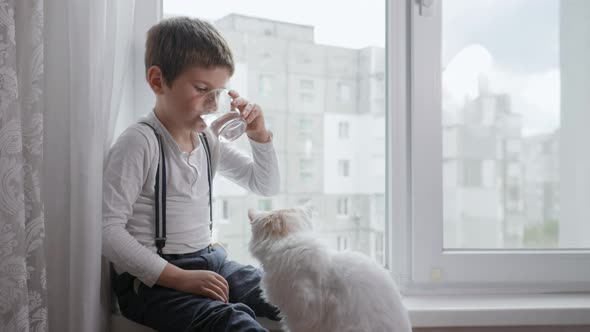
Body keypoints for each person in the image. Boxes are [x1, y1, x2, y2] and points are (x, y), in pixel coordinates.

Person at [102, 16, 280, 332]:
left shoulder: (207, 140)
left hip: (210, 260)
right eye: (201, 89)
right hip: (152, 282)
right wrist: (179, 278)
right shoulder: (140, 142)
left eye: (219, 92)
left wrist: (260, 134)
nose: (213, 104)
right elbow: (108, 230)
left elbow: (264, 184)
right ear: (158, 81)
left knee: (288, 291)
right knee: (232, 322)